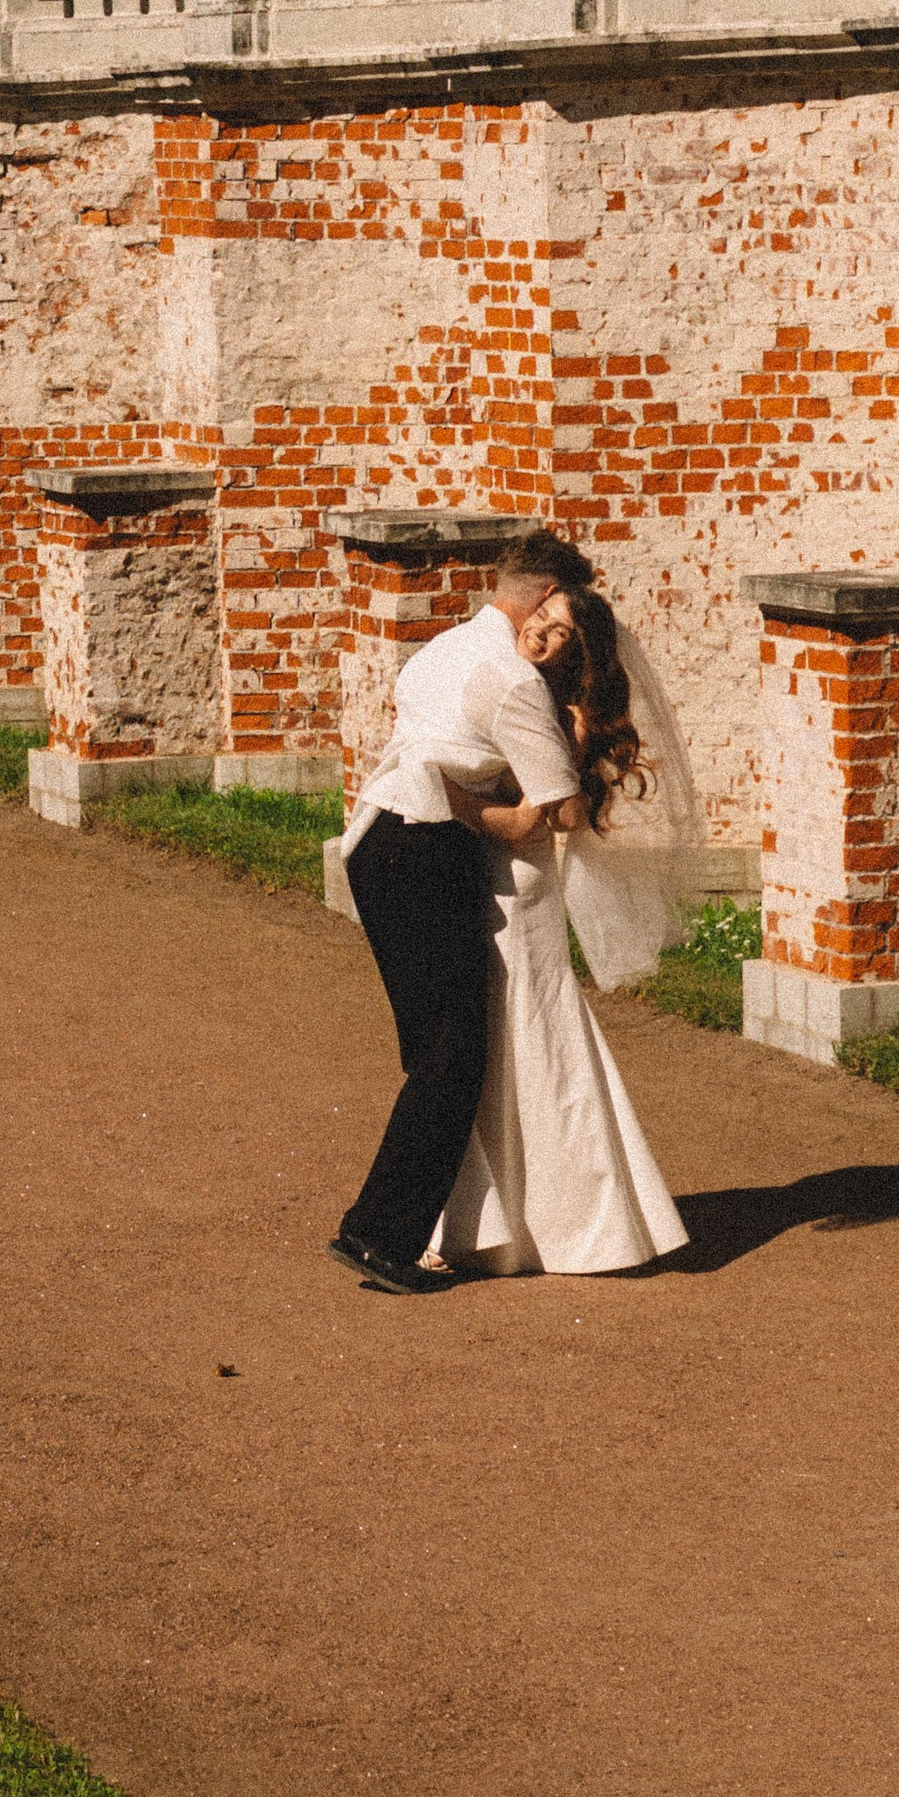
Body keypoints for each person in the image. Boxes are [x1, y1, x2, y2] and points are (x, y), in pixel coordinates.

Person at [328, 527, 594, 1296]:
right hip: (425, 850)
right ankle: (379, 1235)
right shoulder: (511, 678)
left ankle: (429, 1227)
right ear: (547, 596)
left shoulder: (443, 646)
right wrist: (561, 742)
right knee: (454, 1057)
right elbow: (562, 809)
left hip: (375, 841)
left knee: (432, 1053)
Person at [433, 584, 688, 1278]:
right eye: (542, 619)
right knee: (486, 1047)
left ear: (579, 654)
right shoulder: (505, 681)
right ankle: (491, 1224)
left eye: (561, 633)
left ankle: (578, 1224)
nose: (541, 635)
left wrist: (448, 797)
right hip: (478, 874)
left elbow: (557, 815)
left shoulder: (563, 714)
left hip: (518, 884)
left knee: (531, 1039)